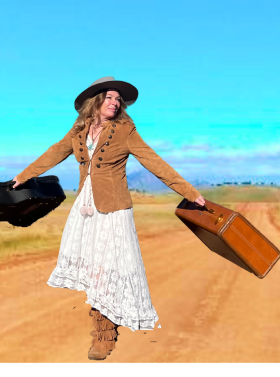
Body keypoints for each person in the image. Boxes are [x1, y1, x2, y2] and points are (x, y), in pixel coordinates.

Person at [13, 76, 205, 361]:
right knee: (93, 272)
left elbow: (154, 162)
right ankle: (102, 327)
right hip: (84, 209)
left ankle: (104, 337)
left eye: (119, 99)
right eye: (111, 98)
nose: (116, 103)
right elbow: (54, 152)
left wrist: (190, 192)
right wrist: (23, 176)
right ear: (96, 100)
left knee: (106, 271)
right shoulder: (79, 130)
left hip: (113, 210)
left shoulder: (125, 130)